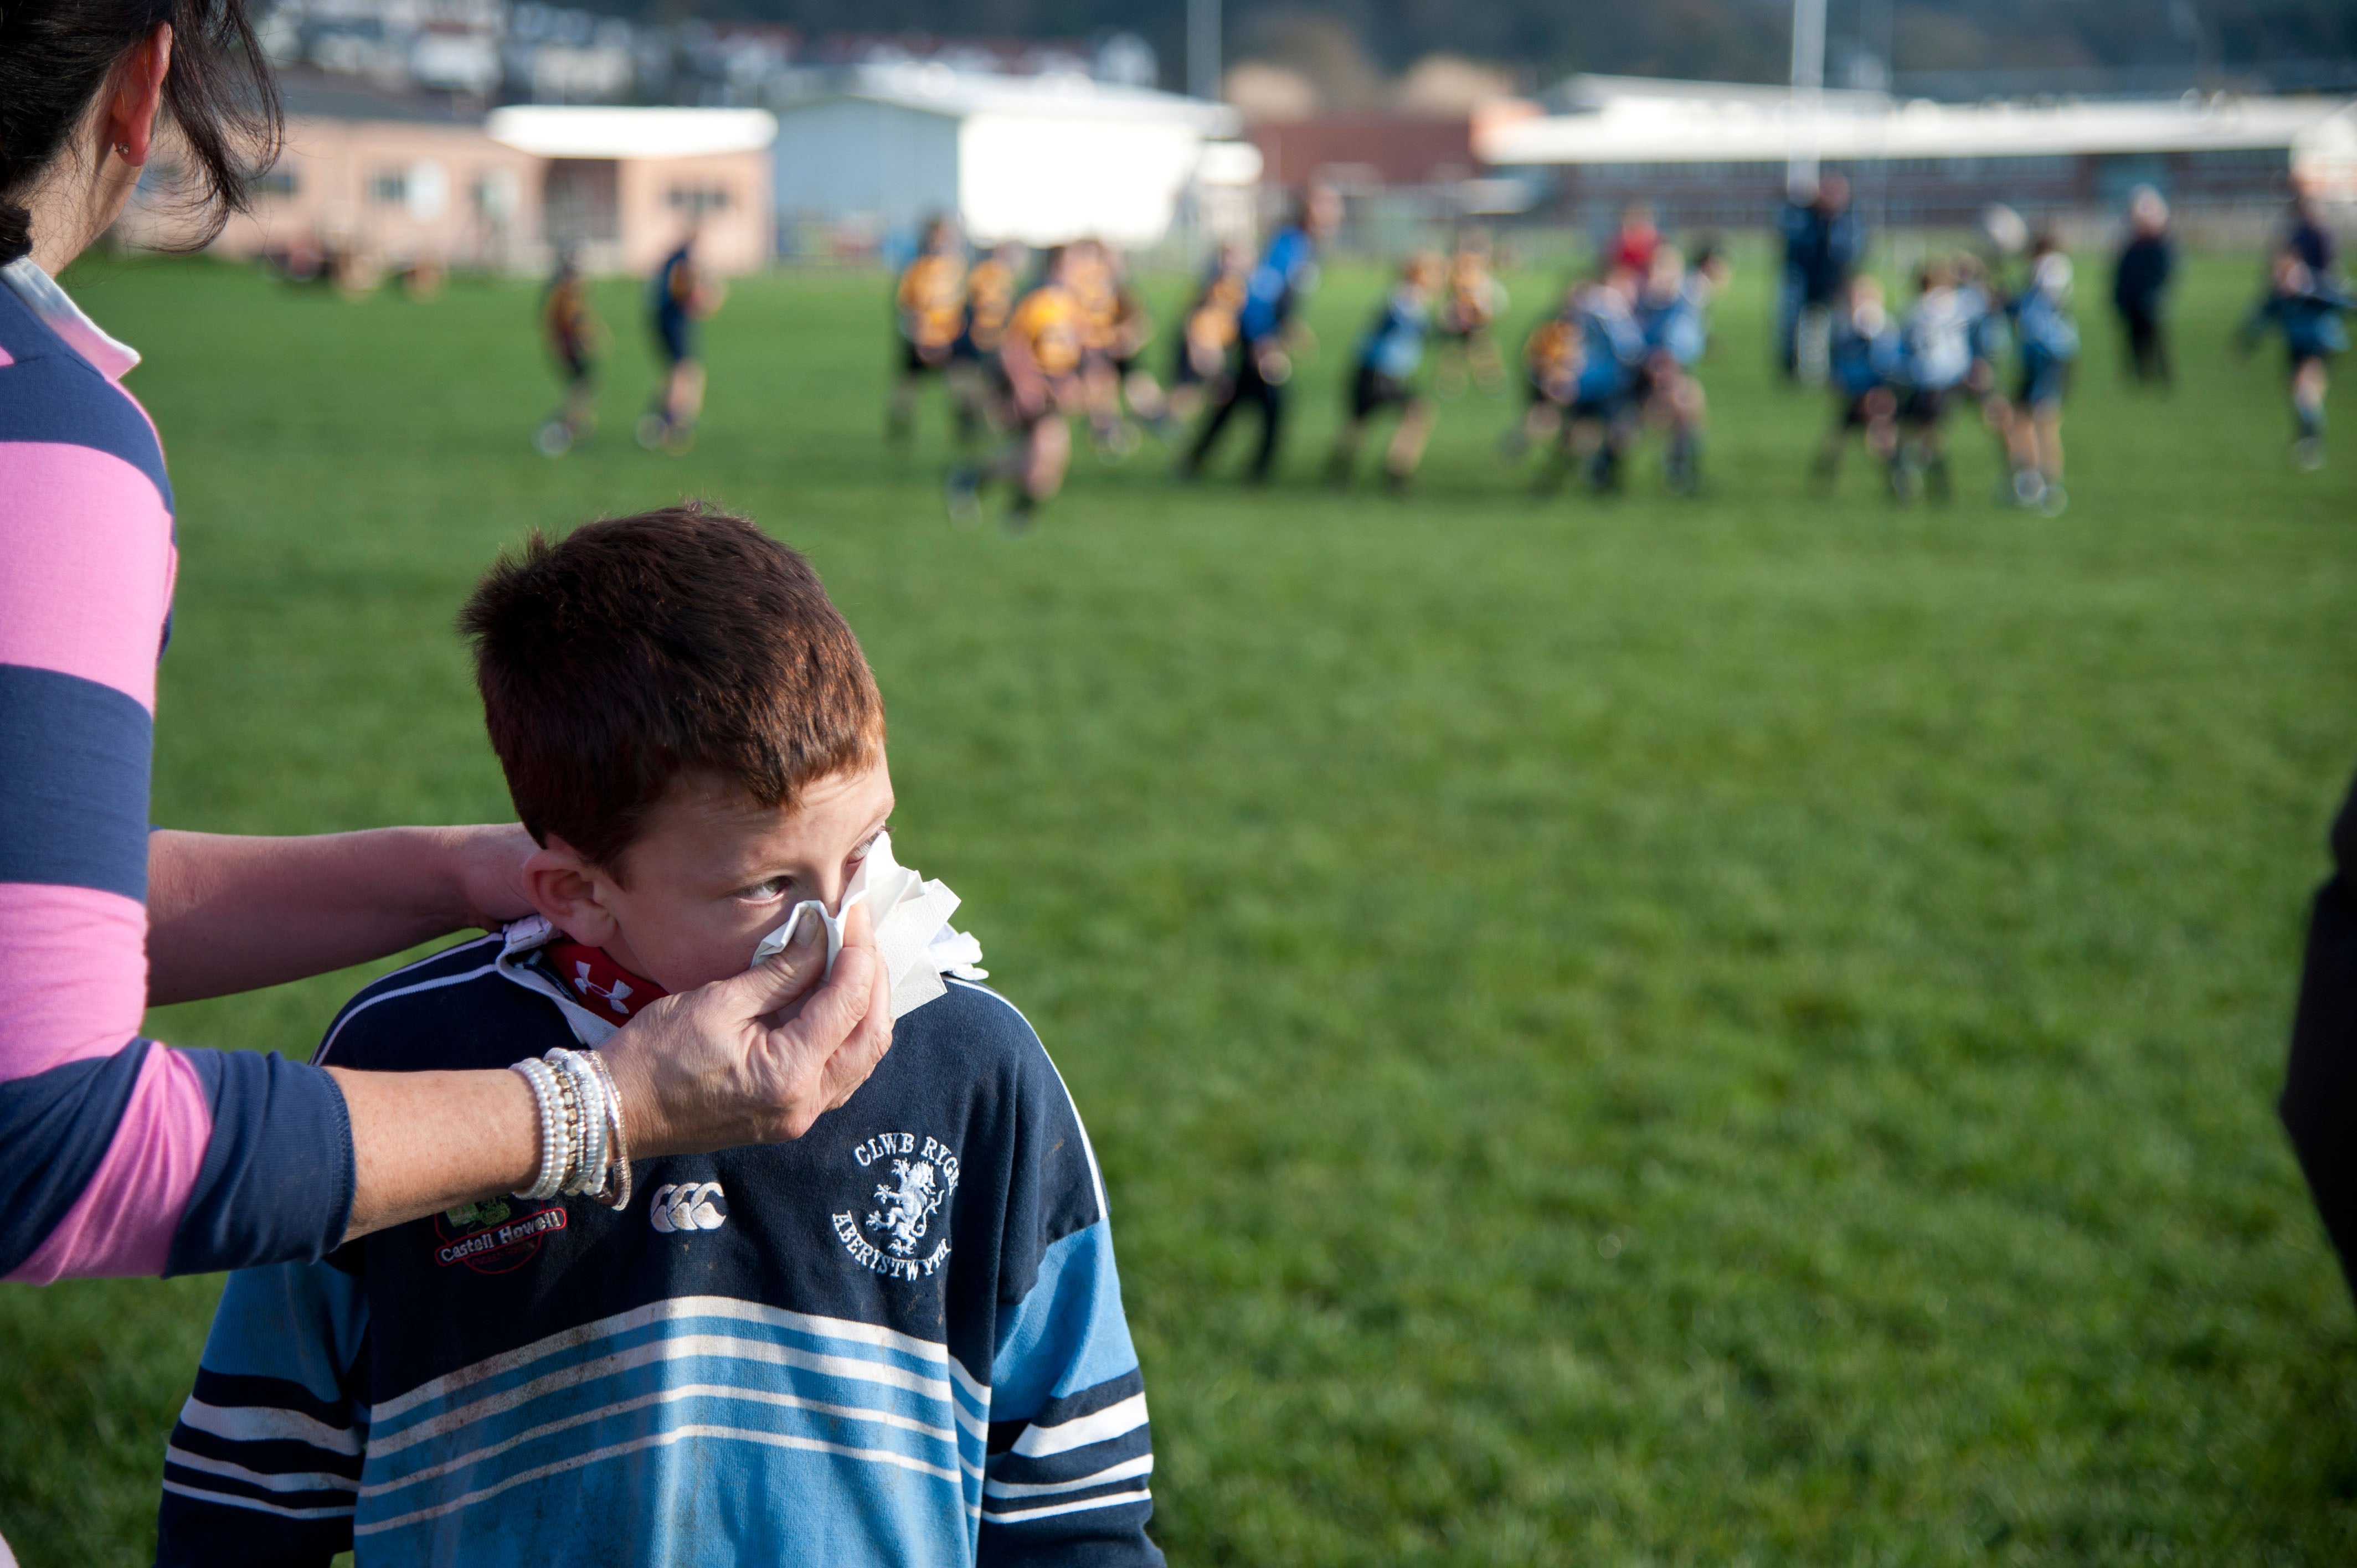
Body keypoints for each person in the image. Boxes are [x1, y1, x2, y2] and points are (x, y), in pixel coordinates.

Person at [0, 0, 892, 1322]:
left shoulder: (978, 1068)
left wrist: (451, 870)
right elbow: (52, 1147)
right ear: (144, 90)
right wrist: (605, 1104)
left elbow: (29, 925)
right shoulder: (39, 431)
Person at [155, 508, 1163, 1566]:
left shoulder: (976, 1066)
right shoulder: (402, 1060)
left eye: (864, 846)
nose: (835, 926)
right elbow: (251, 1497)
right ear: (580, 895)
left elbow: (1072, 1513)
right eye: (767, 883)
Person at [1179, 184, 1341, 484]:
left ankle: (1195, 462)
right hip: (1258, 336)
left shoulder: (1305, 247)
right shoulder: (1289, 245)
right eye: (1328, 207)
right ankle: (1258, 474)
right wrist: (1263, 340)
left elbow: (1285, 297)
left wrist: (1290, 327)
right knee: (1275, 404)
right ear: (1309, 212)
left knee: (1239, 399)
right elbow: (1258, 295)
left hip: (1264, 334)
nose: (1335, 214)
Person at [946, 245, 1089, 528]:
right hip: (1028, 385)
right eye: (1077, 264)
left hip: (1052, 385)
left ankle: (973, 481)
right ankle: (1018, 517)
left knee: (1045, 461)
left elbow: (1076, 347)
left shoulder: (1071, 301)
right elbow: (1013, 345)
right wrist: (1027, 385)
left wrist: (1074, 380)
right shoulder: (1039, 298)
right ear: (1059, 266)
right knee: (1045, 453)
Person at [1327, 251, 1440, 491]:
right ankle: (1396, 471)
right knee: (1418, 413)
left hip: (1375, 370)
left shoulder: (1410, 298)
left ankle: (1338, 469)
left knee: (1359, 424)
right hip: (1380, 372)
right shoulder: (1404, 297)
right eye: (1434, 272)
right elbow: (1413, 326)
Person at [2240, 247, 2351, 471]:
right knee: (2301, 396)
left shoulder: (2315, 290)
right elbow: (2264, 315)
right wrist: (2248, 340)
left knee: (2305, 391)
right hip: (2296, 348)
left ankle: (2311, 443)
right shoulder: (2280, 295)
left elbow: (2343, 303)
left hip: (2320, 346)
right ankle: (2306, 439)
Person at [1892, 257, 1976, 502]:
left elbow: (1904, 348)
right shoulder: (1960, 304)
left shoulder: (1914, 310)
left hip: (1928, 379)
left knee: (1915, 432)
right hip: (1959, 377)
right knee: (1929, 431)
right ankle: (1933, 484)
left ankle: (1922, 481)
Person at [2005, 240, 2080, 513]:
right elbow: (2016, 308)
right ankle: (2030, 479)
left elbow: (2052, 290)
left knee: (2045, 420)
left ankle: (2052, 486)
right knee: (2021, 419)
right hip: (2033, 357)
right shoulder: (2032, 288)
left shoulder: (2054, 267)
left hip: (2053, 357)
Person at [1812, 274, 1903, 490]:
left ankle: (1900, 480)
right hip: (1854, 392)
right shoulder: (1845, 325)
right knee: (1838, 439)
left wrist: (1880, 389)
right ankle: (1823, 483)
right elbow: (1837, 361)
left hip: (1874, 394)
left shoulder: (1879, 327)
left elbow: (1888, 363)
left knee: (1881, 439)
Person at [1633, 245, 1711, 493]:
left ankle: (1683, 463)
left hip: (1672, 375)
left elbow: (1690, 343)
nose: (1663, 276)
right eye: (1657, 269)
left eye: (1670, 270)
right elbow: (1630, 343)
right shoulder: (1639, 305)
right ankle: (1679, 463)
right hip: (1638, 377)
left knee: (1689, 402)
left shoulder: (1682, 306)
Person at [639, 226, 721, 454]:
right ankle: (675, 425)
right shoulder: (684, 264)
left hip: (663, 321)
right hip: (673, 322)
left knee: (677, 371)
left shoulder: (672, 260)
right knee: (687, 373)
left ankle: (658, 421)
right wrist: (714, 294)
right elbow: (694, 302)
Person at [888, 215, 966, 447]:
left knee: (963, 384)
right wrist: (918, 339)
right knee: (907, 387)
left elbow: (964, 307)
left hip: (949, 339)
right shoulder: (916, 270)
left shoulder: (957, 268)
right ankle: (899, 431)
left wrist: (955, 338)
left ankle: (967, 430)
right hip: (921, 340)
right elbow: (906, 308)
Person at [1777, 173, 1863, 383]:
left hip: (1837, 283)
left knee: (1841, 330)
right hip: (1812, 284)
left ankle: (1839, 371)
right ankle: (1806, 372)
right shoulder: (1807, 220)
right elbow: (1798, 251)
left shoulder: (1847, 221)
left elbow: (1852, 252)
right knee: (1808, 330)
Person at [948, 240, 1020, 446]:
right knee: (976, 386)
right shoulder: (985, 275)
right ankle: (981, 427)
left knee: (987, 388)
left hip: (992, 338)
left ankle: (991, 429)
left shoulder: (997, 275)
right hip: (982, 338)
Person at [1167, 243, 1247, 427]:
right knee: (1191, 394)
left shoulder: (1239, 284)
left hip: (1219, 344)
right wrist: (1197, 349)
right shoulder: (1213, 285)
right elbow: (1194, 316)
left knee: (1213, 391)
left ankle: (1166, 418)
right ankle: (1163, 418)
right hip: (1205, 344)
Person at [534, 249, 600, 456]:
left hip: (565, 347)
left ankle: (576, 422)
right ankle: (569, 424)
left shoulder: (562, 293)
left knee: (582, 384)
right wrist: (585, 338)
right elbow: (574, 322)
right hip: (569, 348)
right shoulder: (566, 294)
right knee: (581, 385)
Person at [1433, 229, 1507, 397]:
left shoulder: (1478, 275)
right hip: (1462, 319)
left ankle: (1491, 382)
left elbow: (1488, 296)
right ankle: (1452, 383)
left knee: (1482, 350)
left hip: (1477, 318)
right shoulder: (1458, 274)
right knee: (1457, 353)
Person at [2112, 186, 2174, 387]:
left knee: (2156, 340)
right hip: (2131, 300)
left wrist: (2151, 293)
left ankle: (2164, 376)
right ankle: (2140, 377)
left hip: (2149, 301)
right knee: (2133, 340)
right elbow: (2122, 273)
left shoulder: (2160, 245)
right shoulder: (2133, 246)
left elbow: (2163, 273)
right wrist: (2120, 296)